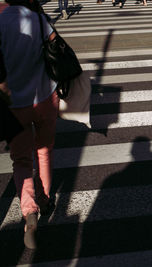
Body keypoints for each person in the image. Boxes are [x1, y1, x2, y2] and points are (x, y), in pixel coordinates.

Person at [0, 0, 58, 249]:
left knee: (21, 159)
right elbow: (57, 46)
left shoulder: (0, 21)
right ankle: (44, 199)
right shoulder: (38, 19)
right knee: (44, 150)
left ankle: (29, 211)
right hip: (44, 97)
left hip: (15, 104)